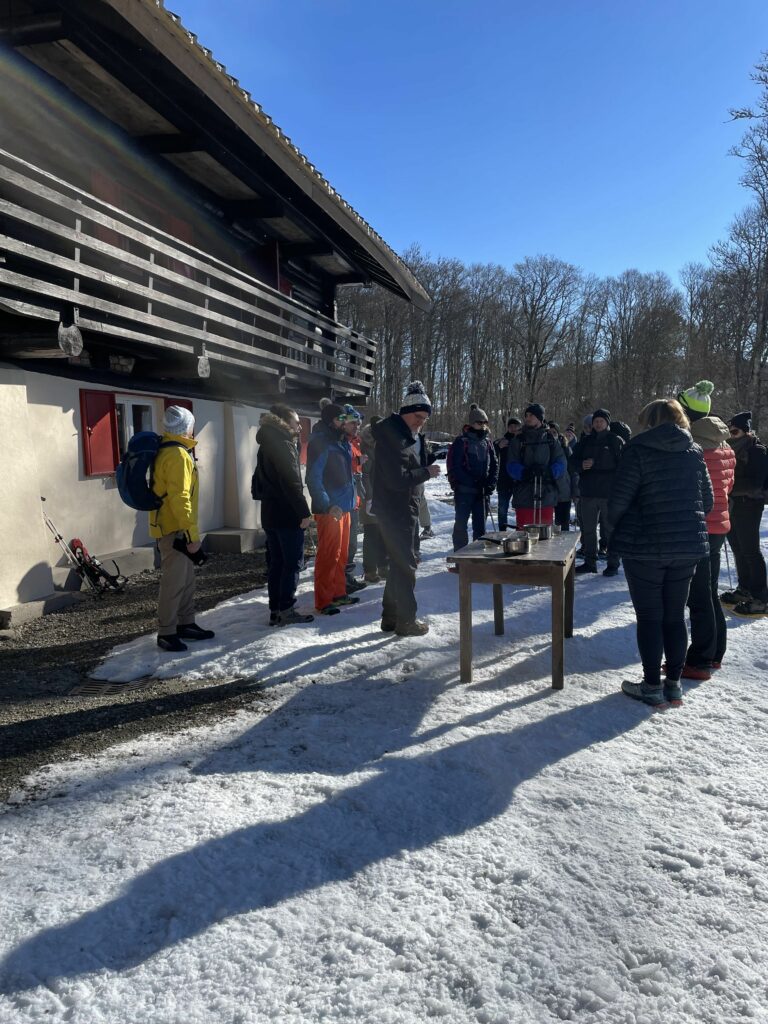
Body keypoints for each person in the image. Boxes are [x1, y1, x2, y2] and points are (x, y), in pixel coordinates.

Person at [609, 398, 713, 708]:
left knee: (650, 618)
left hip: (645, 546)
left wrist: (614, 528)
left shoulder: (637, 450)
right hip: (686, 546)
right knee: (674, 617)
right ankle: (674, 684)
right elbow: (706, 502)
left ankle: (652, 685)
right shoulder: (694, 452)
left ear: (649, 421)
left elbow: (618, 503)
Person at [371, 380, 441, 636]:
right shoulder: (393, 436)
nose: (421, 421)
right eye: (418, 416)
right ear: (406, 411)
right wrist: (426, 472)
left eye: (425, 418)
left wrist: (427, 460)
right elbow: (397, 478)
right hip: (395, 509)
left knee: (401, 564)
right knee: (406, 565)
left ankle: (390, 618)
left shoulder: (408, 434)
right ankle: (406, 620)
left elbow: (410, 463)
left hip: (404, 507)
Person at [676, 381, 735, 676]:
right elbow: (728, 486)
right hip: (720, 523)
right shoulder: (724, 444)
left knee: (698, 595)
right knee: (708, 591)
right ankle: (714, 652)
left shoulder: (693, 446)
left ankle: (700, 658)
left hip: (700, 525)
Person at [150, 405, 215, 652]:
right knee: (174, 582)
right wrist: (191, 535)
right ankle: (167, 632)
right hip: (175, 529)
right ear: (186, 426)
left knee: (186, 580)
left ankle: (186, 623)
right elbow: (180, 498)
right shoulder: (177, 455)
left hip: (174, 526)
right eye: (191, 424)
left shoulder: (172, 450)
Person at [254, 404, 314, 627]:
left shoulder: (266, 442)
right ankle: (286, 609)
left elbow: (257, 480)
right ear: (284, 422)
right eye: (296, 421)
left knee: (277, 563)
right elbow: (291, 482)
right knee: (291, 563)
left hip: (270, 512)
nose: (299, 426)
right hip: (286, 513)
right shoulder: (282, 443)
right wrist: (303, 512)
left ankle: (275, 609)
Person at [306, 402, 359, 615]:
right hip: (330, 509)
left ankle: (338, 593)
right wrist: (327, 505)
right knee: (328, 554)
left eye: (344, 419)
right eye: (340, 419)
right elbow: (313, 478)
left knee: (342, 554)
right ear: (331, 421)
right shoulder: (320, 442)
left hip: (345, 506)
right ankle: (323, 599)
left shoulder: (341, 442)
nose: (344, 423)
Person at [723, 410, 768, 617]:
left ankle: (761, 598)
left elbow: (756, 484)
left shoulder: (756, 450)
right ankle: (745, 588)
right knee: (738, 549)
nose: (731, 434)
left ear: (746, 431)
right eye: (729, 430)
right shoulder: (728, 449)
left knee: (750, 550)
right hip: (733, 504)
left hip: (750, 504)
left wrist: (729, 486)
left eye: (735, 431)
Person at [571, 408, 624, 576]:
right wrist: (581, 466)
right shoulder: (585, 441)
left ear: (607, 423)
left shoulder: (616, 441)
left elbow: (624, 466)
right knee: (588, 529)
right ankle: (589, 562)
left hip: (609, 493)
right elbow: (571, 463)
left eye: (601, 421)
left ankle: (613, 563)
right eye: (596, 421)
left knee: (610, 530)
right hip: (588, 492)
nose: (598, 424)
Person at [506, 402, 567, 528]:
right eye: (526, 415)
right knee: (524, 535)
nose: (527, 418)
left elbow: (561, 462)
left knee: (544, 538)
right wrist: (524, 472)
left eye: (531, 415)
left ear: (540, 418)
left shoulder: (551, 439)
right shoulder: (518, 439)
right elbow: (511, 463)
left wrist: (549, 472)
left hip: (546, 495)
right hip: (524, 495)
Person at [447, 404, 498, 551]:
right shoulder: (461, 442)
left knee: (480, 527)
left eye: (484, 423)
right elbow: (457, 467)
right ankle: (459, 559)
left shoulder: (487, 442)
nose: (482, 426)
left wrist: (491, 483)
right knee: (461, 525)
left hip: (482, 493)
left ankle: (477, 559)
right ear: (471, 423)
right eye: (478, 422)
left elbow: (494, 464)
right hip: (464, 491)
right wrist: (474, 482)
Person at [340, 404, 367, 593]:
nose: (356, 426)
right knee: (345, 543)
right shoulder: (340, 441)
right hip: (343, 499)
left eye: (358, 423)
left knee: (352, 543)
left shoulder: (355, 441)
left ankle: (346, 577)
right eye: (352, 423)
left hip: (353, 498)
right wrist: (357, 462)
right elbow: (338, 467)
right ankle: (341, 579)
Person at [359, 415, 389, 583]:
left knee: (384, 532)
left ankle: (383, 566)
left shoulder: (385, 445)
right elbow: (364, 474)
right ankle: (370, 570)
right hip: (370, 497)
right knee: (371, 534)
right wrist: (369, 498)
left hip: (385, 496)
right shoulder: (366, 446)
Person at [493, 416, 522, 531]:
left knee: (520, 509)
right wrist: (498, 447)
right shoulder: (501, 441)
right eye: (511, 426)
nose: (513, 428)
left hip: (519, 481)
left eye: (516, 426)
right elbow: (491, 455)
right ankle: (502, 532)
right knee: (502, 509)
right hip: (504, 481)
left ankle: (520, 532)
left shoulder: (523, 440)